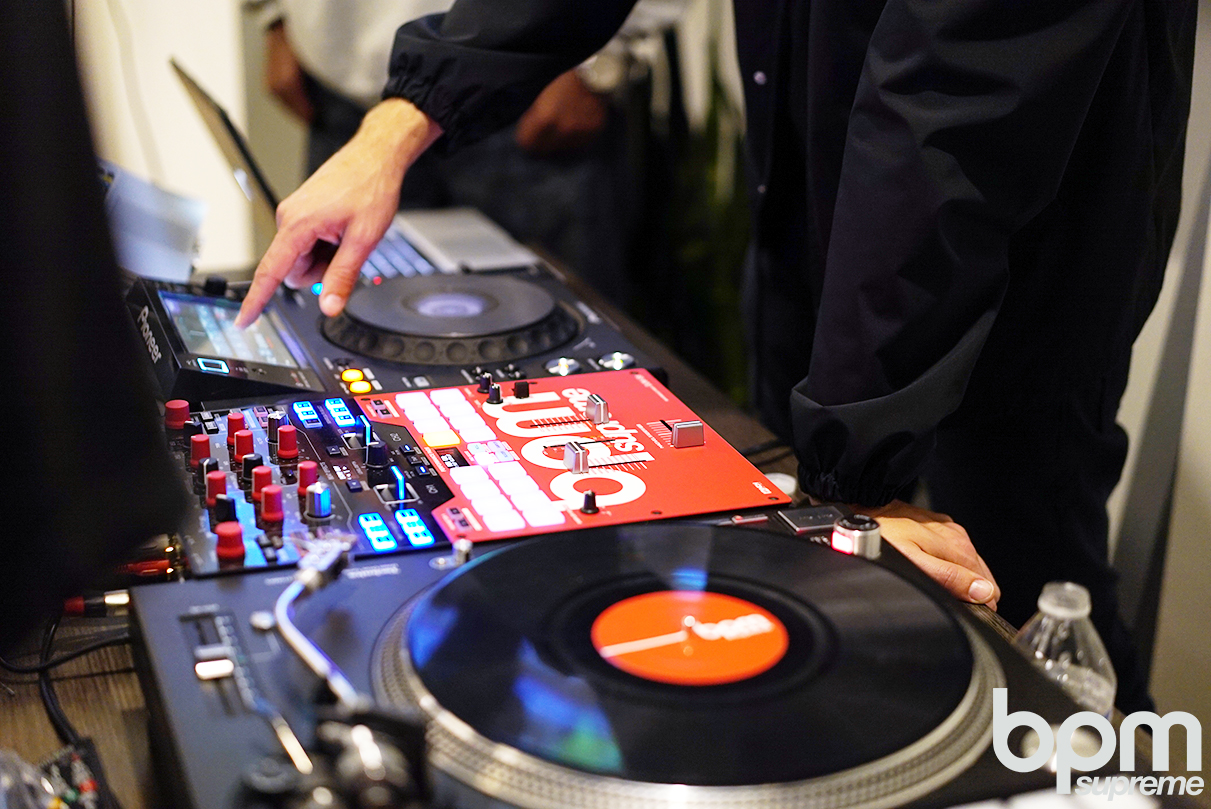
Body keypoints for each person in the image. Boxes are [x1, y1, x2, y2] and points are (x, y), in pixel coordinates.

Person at [236, 0, 1196, 714]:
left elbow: (950, 116)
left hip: (1015, 296)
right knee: (835, 651)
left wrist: (851, 479)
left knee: (1035, 623)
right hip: (827, 261)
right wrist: (401, 121)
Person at [251, 0, 681, 305]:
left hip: (528, 105)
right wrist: (274, 15)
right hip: (342, 97)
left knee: (553, 314)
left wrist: (599, 61)